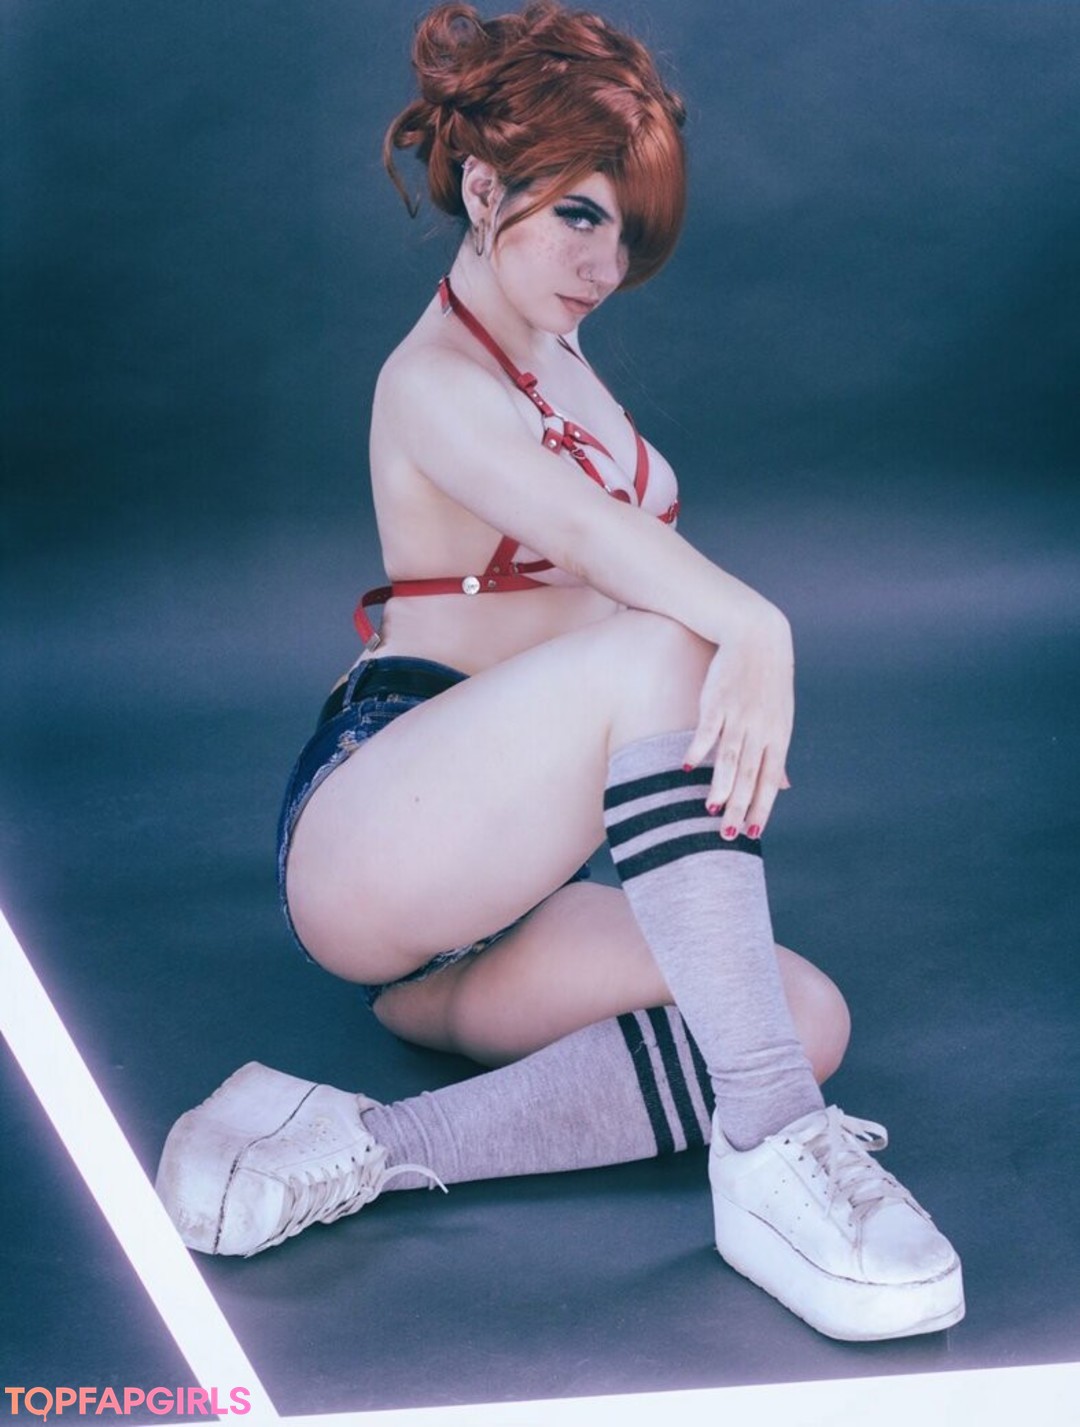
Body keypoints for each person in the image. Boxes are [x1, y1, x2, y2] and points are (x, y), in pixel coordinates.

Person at [156, 0, 964, 1342]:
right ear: (485, 191)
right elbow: (593, 541)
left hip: (504, 900)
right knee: (669, 641)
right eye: (580, 216)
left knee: (794, 1015)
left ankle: (361, 1146)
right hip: (376, 829)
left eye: (628, 232)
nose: (606, 264)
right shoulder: (433, 382)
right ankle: (771, 1160)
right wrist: (758, 631)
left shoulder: (559, 349)